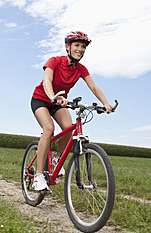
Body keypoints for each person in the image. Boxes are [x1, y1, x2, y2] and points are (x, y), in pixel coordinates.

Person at [31, 31, 113, 191]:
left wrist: (106, 103)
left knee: (69, 129)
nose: (80, 49)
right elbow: (47, 80)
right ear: (67, 47)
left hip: (59, 103)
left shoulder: (81, 69)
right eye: (77, 45)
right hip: (41, 99)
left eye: (83, 47)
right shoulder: (54, 61)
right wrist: (53, 96)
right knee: (49, 129)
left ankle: (56, 158)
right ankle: (39, 176)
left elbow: (94, 87)